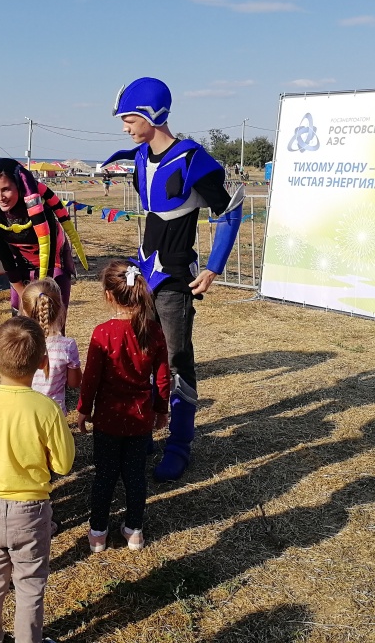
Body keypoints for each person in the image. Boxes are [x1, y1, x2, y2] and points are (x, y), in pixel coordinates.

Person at [103, 77, 244, 482]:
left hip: (177, 278)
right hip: (143, 274)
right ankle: (147, 426)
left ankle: (180, 444)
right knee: (144, 357)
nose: (126, 126)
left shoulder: (192, 158)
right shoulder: (138, 159)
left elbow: (230, 212)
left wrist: (215, 266)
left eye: (130, 117)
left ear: (152, 114)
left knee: (178, 360)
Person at [0, 318, 75, 643]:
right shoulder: (46, 408)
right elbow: (64, 464)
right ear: (41, 363)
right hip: (31, 512)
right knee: (30, 584)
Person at [77, 260, 171, 552]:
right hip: (140, 418)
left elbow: (90, 379)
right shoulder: (154, 331)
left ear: (108, 295)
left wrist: (83, 409)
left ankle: (98, 533)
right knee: (135, 476)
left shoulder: (103, 333)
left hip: (107, 419)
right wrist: (161, 410)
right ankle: (134, 531)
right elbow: (164, 377)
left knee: (104, 476)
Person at [0, 158, 88, 315]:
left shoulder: (41, 210)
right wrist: (23, 294)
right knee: (19, 320)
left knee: (52, 316)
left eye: (5, 189)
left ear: (19, 186)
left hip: (54, 263)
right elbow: (5, 257)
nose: (0, 197)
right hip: (19, 266)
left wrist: (41, 294)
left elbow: (50, 257)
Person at [20, 278, 80, 414]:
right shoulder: (67, 345)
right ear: (60, 309)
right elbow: (74, 383)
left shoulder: (19, 343)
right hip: (54, 414)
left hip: (26, 413)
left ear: (24, 311)